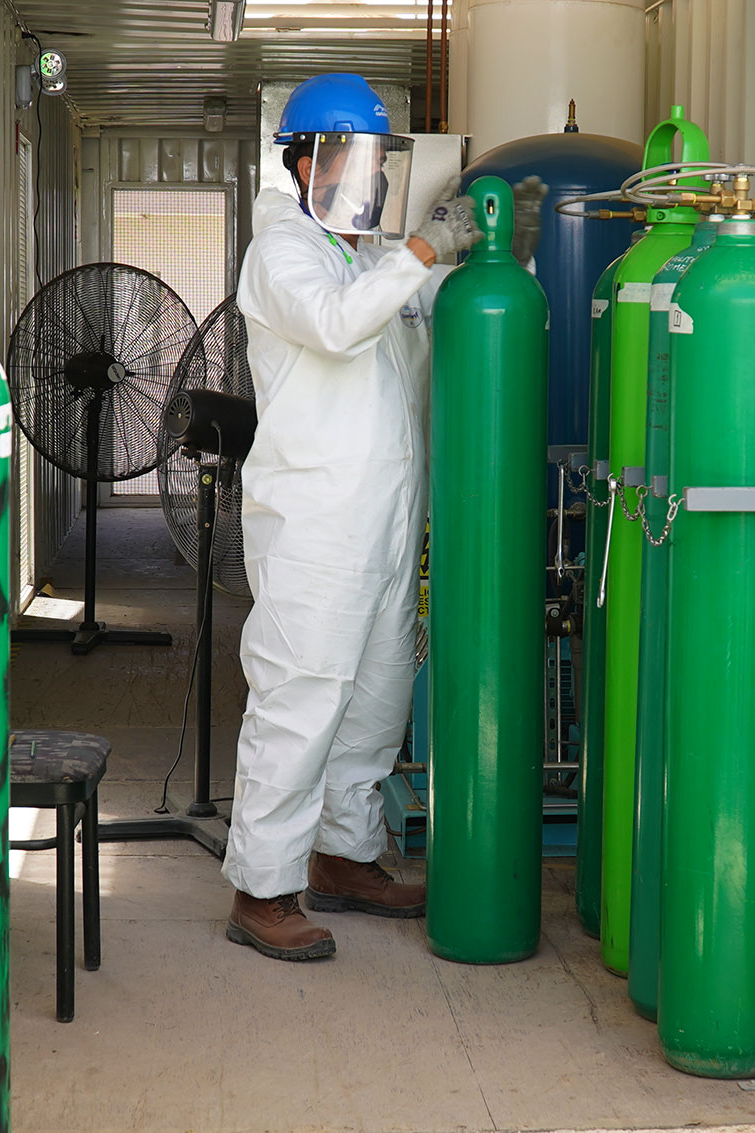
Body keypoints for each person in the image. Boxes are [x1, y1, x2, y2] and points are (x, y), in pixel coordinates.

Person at [223, 73, 546, 960]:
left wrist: (499, 254)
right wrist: (422, 245)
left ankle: (343, 853)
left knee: (375, 699)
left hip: (388, 517)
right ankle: (262, 884)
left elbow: (437, 306)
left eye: (371, 159)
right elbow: (335, 325)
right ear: (301, 159)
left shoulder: (366, 255)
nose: (360, 175)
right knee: (301, 697)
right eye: (345, 156)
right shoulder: (283, 252)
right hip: (315, 521)